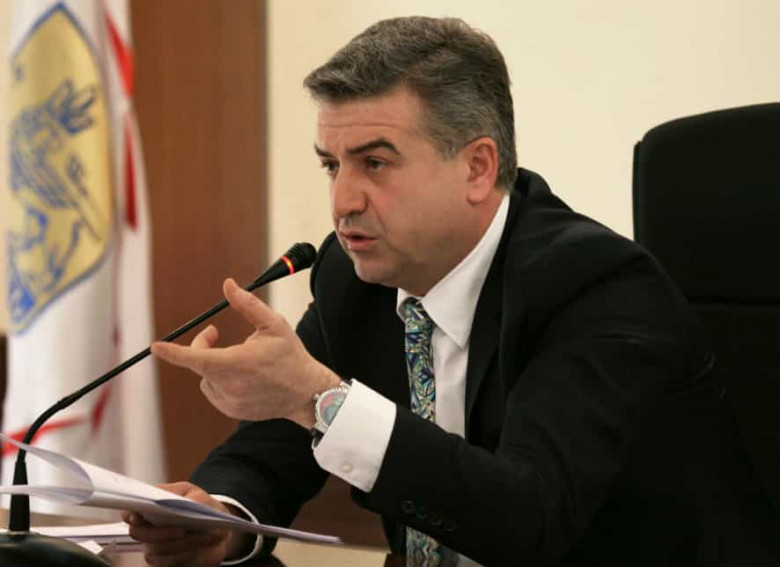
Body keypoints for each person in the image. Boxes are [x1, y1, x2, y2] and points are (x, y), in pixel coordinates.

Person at [123, 16, 780, 567]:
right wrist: (219, 518)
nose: (343, 201)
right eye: (332, 165)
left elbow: (529, 518)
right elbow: (270, 451)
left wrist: (319, 398)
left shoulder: (597, 286)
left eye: (374, 163)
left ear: (477, 168)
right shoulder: (354, 277)